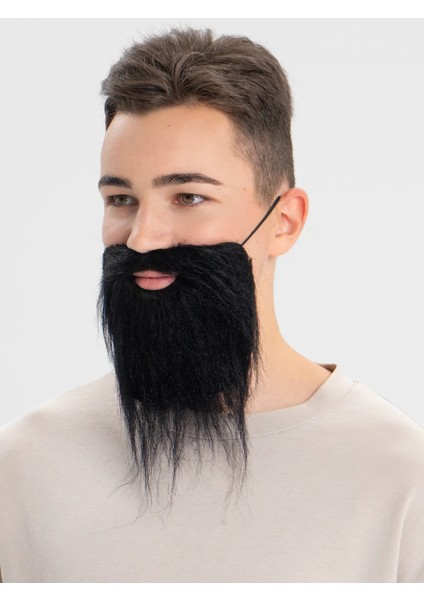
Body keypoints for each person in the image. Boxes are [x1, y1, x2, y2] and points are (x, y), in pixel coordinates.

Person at [0, 27, 423, 584]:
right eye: (121, 199)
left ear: (284, 221)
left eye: (189, 197)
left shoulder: (399, 475)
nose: (143, 238)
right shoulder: (27, 464)